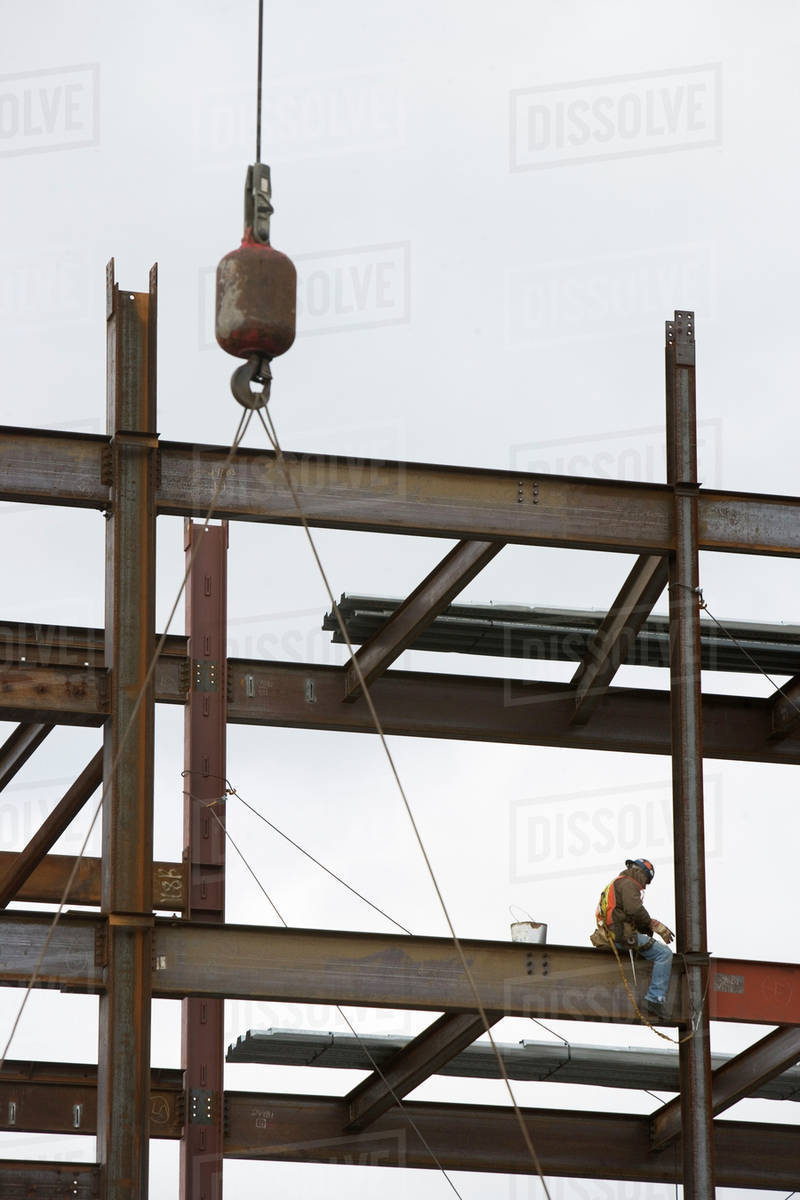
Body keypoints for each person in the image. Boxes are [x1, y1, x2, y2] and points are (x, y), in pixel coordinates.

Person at [594, 857, 674, 1022]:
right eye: (646, 879)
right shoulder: (628, 884)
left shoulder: (617, 883)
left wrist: (645, 929)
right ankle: (655, 999)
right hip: (621, 936)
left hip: (612, 934)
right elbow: (634, 910)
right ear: (639, 872)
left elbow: (624, 912)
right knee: (664, 954)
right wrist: (653, 925)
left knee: (651, 948)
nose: (645, 885)